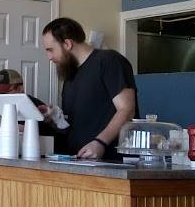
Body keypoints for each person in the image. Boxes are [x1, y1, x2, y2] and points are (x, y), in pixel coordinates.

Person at [41, 17, 138, 159]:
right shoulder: (70, 75)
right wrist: (55, 118)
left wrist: (100, 143)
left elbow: (127, 110)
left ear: (67, 44)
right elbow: (76, 125)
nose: (49, 57)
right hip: (79, 161)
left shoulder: (109, 61)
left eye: (50, 50)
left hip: (112, 162)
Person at [0, 69, 55, 136]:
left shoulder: (38, 108)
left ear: (20, 89)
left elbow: (48, 137)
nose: (0, 97)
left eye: (4, 92)